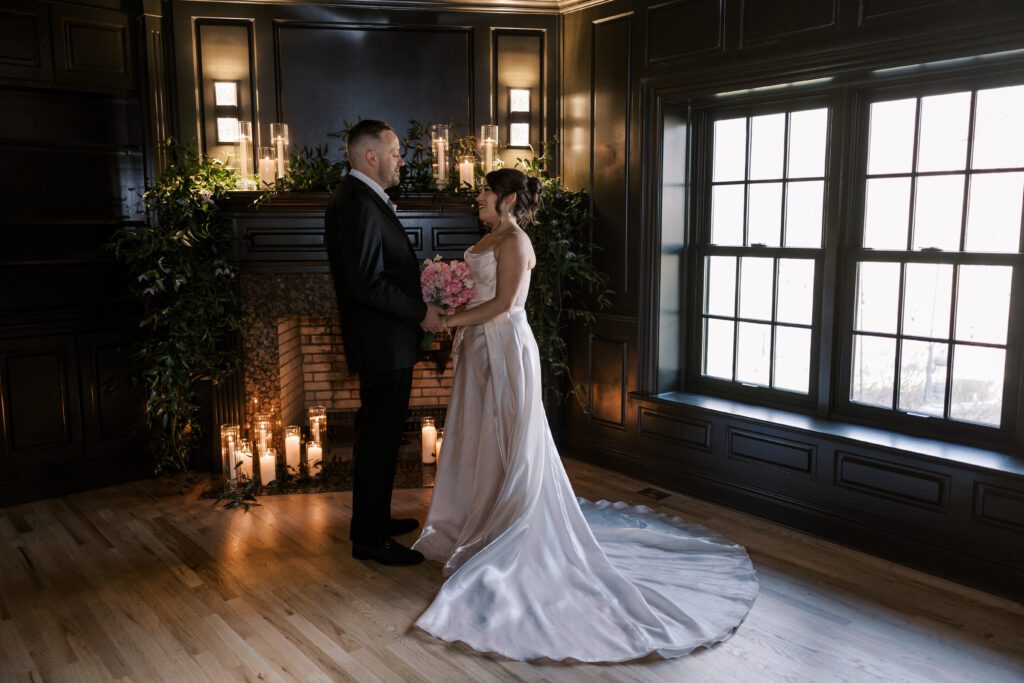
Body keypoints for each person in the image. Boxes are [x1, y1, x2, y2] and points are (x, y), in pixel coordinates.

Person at [411, 168, 759, 661]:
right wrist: (451, 301)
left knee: (506, 436)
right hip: (478, 348)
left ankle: (508, 524)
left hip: (504, 348)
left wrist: (450, 319)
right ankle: (473, 516)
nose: (480, 196)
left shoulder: (516, 241)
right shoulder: (489, 237)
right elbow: (480, 293)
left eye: (487, 190)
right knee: (477, 436)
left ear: (507, 199)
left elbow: (506, 303)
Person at [324, 119, 445, 566]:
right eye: (395, 153)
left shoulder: (361, 198)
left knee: (380, 436)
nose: (401, 161)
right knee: (379, 438)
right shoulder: (356, 204)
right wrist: (421, 312)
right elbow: (367, 284)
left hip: (384, 342)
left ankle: (371, 521)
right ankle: (370, 540)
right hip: (382, 343)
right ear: (370, 156)